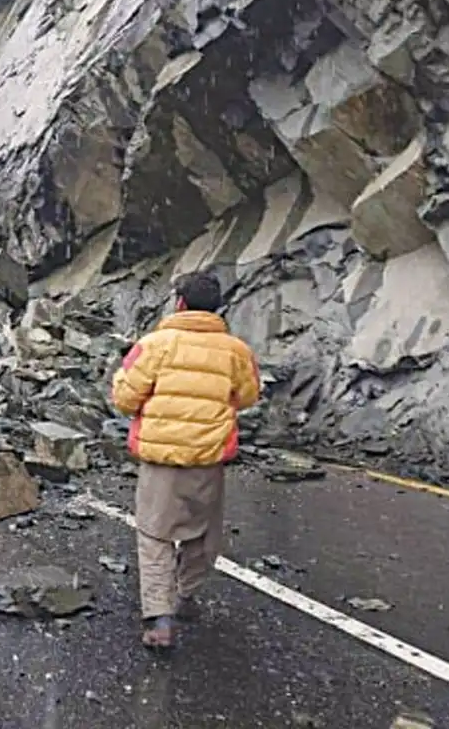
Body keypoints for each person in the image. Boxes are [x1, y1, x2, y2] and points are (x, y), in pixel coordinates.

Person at [110, 270, 260, 649]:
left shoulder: (154, 345)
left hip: (161, 456)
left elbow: (125, 398)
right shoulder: (236, 351)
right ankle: (186, 595)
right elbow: (248, 396)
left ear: (179, 303)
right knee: (202, 531)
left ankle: (159, 619)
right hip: (207, 457)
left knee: (155, 534)